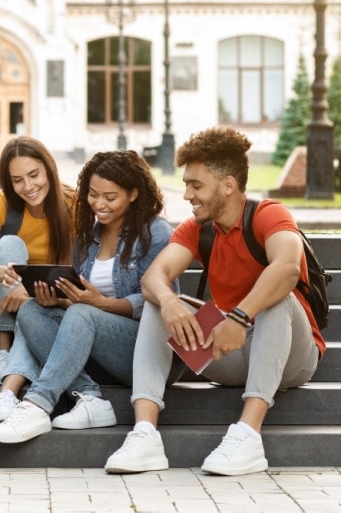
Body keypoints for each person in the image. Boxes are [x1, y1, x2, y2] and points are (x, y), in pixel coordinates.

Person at [104, 127, 325, 476]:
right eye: (187, 184)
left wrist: (238, 318)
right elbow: (153, 278)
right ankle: (145, 435)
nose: (187, 194)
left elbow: (285, 268)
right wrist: (171, 301)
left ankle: (248, 436)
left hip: (291, 357)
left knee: (277, 298)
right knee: (159, 302)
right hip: (229, 353)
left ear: (228, 185)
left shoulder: (270, 214)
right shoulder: (198, 227)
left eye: (196, 185)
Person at [0, 150, 174, 443]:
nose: (99, 204)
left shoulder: (156, 232)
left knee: (82, 313)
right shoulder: (88, 234)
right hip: (93, 348)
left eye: (110, 197)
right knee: (32, 311)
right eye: (92, 194)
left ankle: (38, 402)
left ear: (134, 194)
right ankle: (90, 398)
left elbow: (157, 301)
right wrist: (60, 298)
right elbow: (80, 296)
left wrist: (101, 304)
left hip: (143, 352)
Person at [0, 136, 75, 426]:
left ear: (49, 170)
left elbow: (71, 272)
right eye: (17, 180)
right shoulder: (0, 201)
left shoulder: (72, 204)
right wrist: (11, 279)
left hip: (42, 303)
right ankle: (1, 349)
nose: (28, 187)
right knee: (10, 244)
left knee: (33, 314)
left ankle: (6, 396)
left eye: (34, 175)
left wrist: (27, 296)